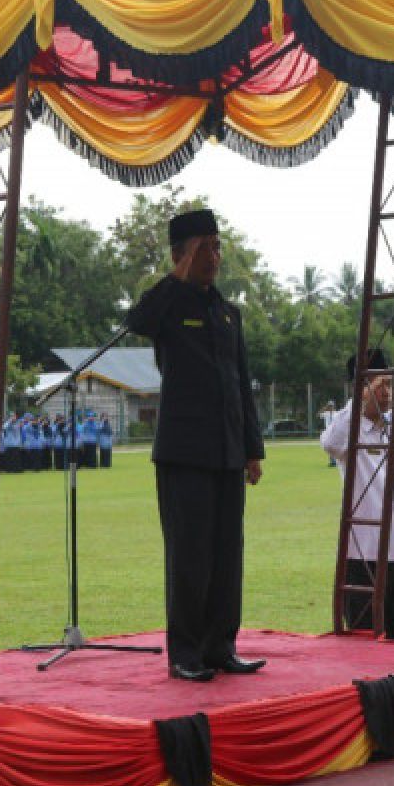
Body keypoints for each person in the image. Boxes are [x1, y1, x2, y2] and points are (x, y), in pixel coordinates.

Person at [122, 208, 266, 682]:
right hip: (184, 453)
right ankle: (185, 654)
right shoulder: (169, 307)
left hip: (226, 451)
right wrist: (176, 276)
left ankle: (221, 647)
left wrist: (252, 447)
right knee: (190, 557)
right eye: (205, 248)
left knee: (227, 555)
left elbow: (240, 382)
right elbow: (136, 320)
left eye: (218, 247)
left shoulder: (228, 313)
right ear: (181, 256)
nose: (216, 257)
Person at [320, 349, 394, 641]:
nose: (389, 393)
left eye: (390, 385)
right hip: (367, 554)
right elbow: (329, 442)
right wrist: (359, 399)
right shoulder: (350, 432)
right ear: (362, 390)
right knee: (364, 642)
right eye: (381, 386)